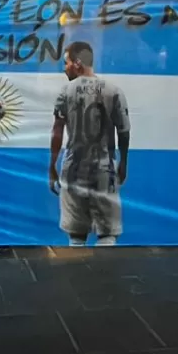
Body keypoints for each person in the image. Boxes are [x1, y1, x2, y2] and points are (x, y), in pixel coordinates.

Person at [48, 42, 130, 247]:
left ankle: (78, 275)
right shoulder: (114, 91)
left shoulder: (65, 92)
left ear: (77, 63)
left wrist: (52, 165)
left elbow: (57, 131)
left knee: (76, 235)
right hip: (104, 169)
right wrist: (123, 163)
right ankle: (105, 276)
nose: (64, 67)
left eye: (66, 63)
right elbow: (124, 131)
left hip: (73, 169)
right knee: (108, 234)